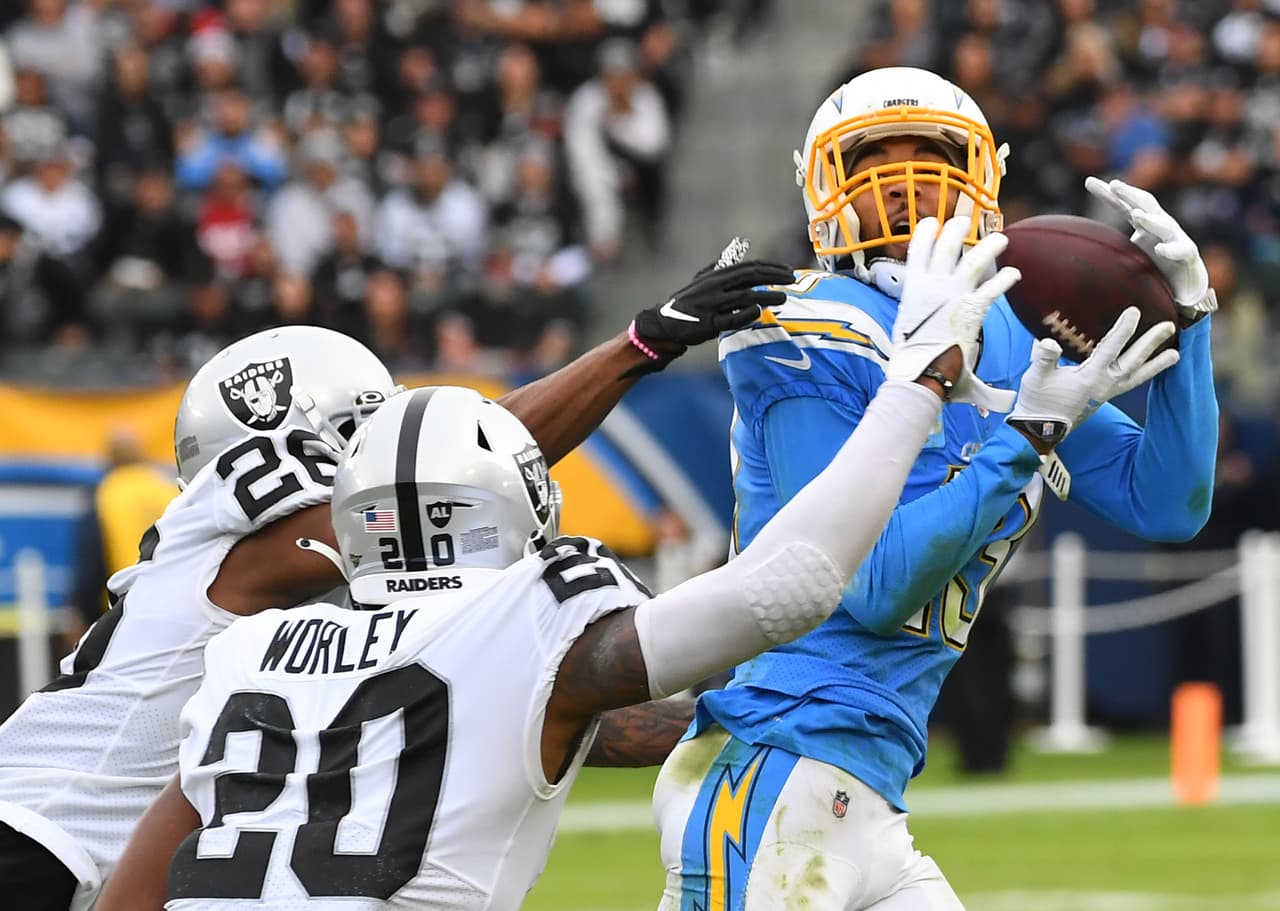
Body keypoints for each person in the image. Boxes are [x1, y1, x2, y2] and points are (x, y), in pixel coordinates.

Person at [97, 214, 1041, 910]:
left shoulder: (249, 653)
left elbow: (129, 898)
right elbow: (789, 584)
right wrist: (919, 381)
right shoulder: (528, 616)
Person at [0, 249, 793, 911]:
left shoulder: (308, 614)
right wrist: (639, 344)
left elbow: (505, 715)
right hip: (32, 831)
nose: (399, 445)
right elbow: (454, 465)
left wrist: (732, 724)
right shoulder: (257, 525)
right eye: (372, 425)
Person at [651, 66, 1219, 909]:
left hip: (864, 781)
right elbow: (867, 583)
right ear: (825, 185)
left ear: (986, 176)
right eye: (878, 157)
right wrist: (1026, 436)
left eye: (934, 153)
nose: (909, 180)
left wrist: (1190, 318)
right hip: (777, 768)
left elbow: (1168, 502)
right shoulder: (811, 323)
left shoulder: (1003, 332)